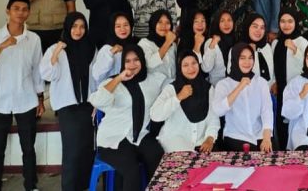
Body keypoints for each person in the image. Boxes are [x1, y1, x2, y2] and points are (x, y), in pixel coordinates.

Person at [0, 0, 45, 191]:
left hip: (26, 99)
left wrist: (40, 98)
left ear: (29, 12)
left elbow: (37, 70)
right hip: (0, 100)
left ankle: (30, 185)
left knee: (28, 148)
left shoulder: (33, 39)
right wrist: (2, 46)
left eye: (24, 9)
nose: (20, 13)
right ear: (8, 11)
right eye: (16, 9)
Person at [89, 44, 166, 191]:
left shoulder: (153, 81)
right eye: (127, 61)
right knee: (132, 170)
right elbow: (97, 101)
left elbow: (171, 86)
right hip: (112, 139)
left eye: (136, 60)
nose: (132, 64)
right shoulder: (113, 82)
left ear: (142, 61)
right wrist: (119, 78)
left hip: (138, 135)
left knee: (157, 155)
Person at [40, 13, 96, 191]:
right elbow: (47, 74)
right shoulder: (56, 49)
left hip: (87, 106)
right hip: (67, 107)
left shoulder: (90, 48)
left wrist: (96, 102)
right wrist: (57, 51)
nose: (78, 31)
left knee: (87, 150)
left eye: (82, 27)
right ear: (67, 27)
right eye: (74, 26)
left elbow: (96, 78)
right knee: (72, 152)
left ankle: (84, 187)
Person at [150, 51, 220, 152]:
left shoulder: (208, 88)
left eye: (194, 63)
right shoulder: (172, 88)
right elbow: (155, 115)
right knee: (189, 160)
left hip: (201, 142)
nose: (191, 68)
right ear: (180, 68)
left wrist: (210, 137)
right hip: (175, 140)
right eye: (185, 65)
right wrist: (178, 97)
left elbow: (214, 117)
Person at [212, 43, 274, 152]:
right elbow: (218, 111)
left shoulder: (261, 82)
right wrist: (239, 87)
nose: (247, 62)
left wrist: (267, 138)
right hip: (235, 136)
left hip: (260, 135)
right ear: (235, 59)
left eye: (250, 58)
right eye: (242, 58)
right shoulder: (224, 84)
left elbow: (267, 111)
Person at [270, 9, 308, 149]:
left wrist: (295, 50)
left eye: (290, 21)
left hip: (297, 91)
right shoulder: (275, 42)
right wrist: (273, 81)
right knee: (281, 126)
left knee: (295, 125)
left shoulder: (302, 41)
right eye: (283, 21)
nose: (286, 25)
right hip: (281, 90)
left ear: (295, 23)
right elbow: (273, 65)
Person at [90, 12, 139, 88]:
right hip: (112, 90)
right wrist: (111, 53)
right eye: (118, 26)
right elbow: (96, 75)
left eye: (126, 25)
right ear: (112, 28)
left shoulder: (136, 46)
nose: (123, 29)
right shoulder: (107, 49)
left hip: (133, 90)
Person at [238, 13, 276, 90]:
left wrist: (274, 82)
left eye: (262, 27)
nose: (258, 31)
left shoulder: (267, 47)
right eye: (255, 26)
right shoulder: (237, 49)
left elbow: (272, 69)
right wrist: (251, 54)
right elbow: (236, 77)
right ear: (247, 27)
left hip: (267, 93)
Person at [138, 9, 177, 82]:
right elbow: (150, 64)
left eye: (167, 22)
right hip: (154, 86)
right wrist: (167, 42)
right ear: (153, 24)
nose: (164, 26)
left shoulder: (173, 45)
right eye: (160, 22)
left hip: (172, 86)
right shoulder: (144, 43)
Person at [201, 10, 236, 85]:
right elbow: (206, 68)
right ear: (217, 23)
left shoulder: (236, 41)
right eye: (222, 21)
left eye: (229, 20)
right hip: (216, 86)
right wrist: (213, 44)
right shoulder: (211, 42)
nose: (226, 24)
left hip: (233, 86)